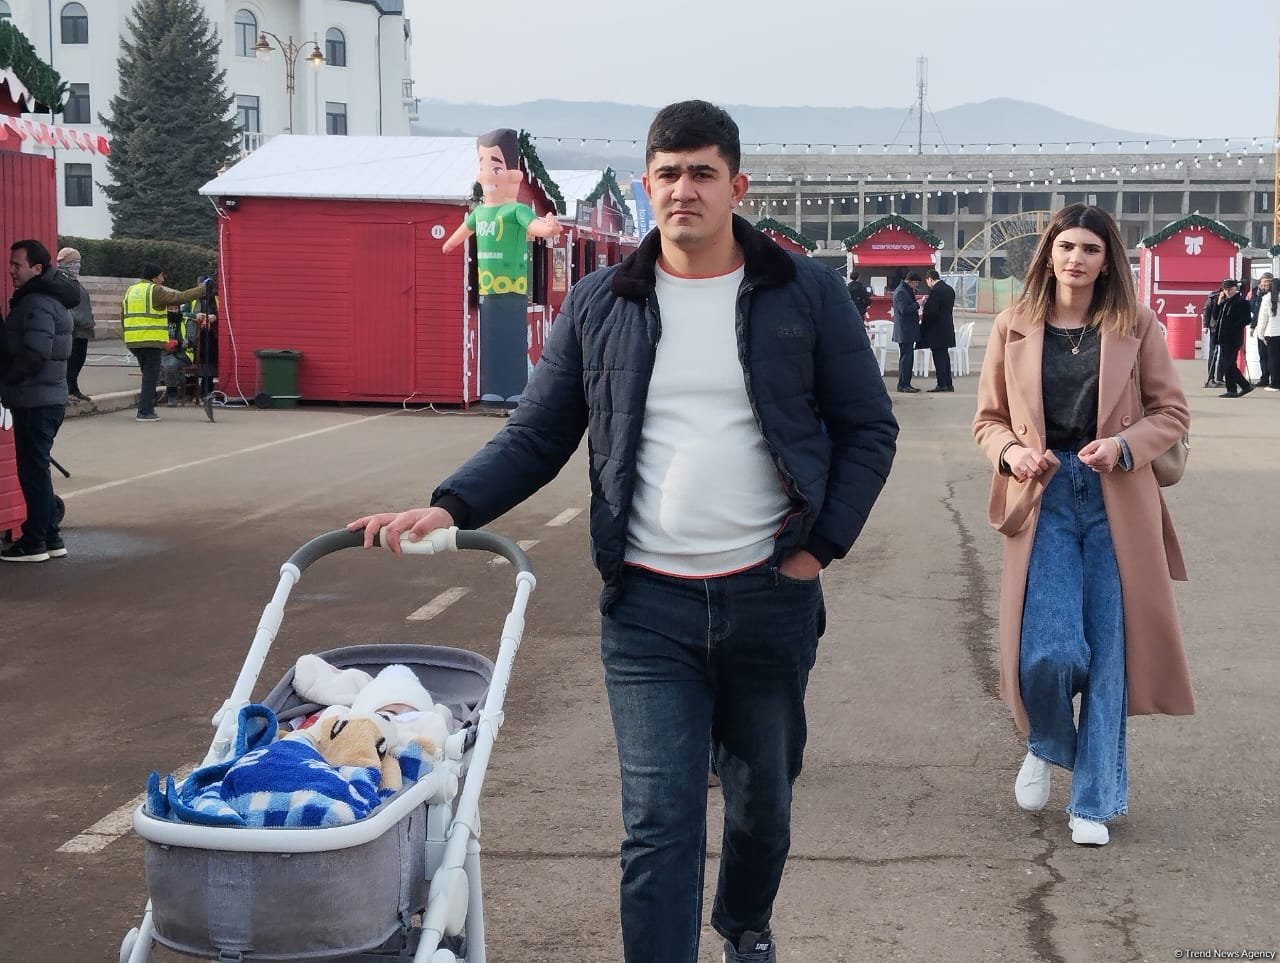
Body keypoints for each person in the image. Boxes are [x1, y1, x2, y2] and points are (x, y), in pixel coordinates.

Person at [352, 100, 898, 963]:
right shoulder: (605, 301)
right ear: (647, 186)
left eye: (703, 173)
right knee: (658, 823)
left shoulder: (806, 294)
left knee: (764, 807)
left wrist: (813, 550)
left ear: (736, 185)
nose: (685, 190)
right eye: (669, 174)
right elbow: (537, 432)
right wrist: (450, 505)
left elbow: (869, 429)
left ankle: (745, 926)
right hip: (647, 610)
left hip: (770, 597)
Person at [973, 204, 1194, 848]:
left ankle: (1094, 800)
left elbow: (1171, 411)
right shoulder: (1013, 325)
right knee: (1048, 649)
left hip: (1115, 498)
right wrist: (1012, 453)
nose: (1077, 258)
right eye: (1066, 246)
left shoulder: (1137, 325)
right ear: (1048, 253)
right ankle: (1045, 736)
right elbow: (988, 419)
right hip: (1043, 495)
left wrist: (1123, 446)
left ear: (1108, 260)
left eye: (1091, 249)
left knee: (1108, 654)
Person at [441, 128, 563, 403]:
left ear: (513, 175)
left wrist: (548, 228)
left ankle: (514, 390)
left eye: (494, 166)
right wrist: (448, 243)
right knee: (492, 341)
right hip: (487, 288)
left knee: (511, 338)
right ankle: (493, 390)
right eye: (482, 165)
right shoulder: (480, 212)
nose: (485, 174)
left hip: (512, 286)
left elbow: (534, 226)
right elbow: (462, 231)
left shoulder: (516, 209)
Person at [0, 239, 76, 562]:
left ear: (37, 268)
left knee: (32, 471)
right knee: (38, 469)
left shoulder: (36, 304)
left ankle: (33, 542)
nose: (11, 271)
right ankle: (51, 538)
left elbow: (35, 353)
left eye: (17, 264)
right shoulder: (48, 300)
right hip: (46, 397)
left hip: (35, 399)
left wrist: (8, 379)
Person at [121, 263, 205, 422]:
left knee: (147, 374)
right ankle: (145, 411)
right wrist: (201, 290)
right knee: (150, 377)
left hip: (133, 340)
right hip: (150, 340)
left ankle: (147, 405)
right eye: (161, 276)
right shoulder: (154, 290)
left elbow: (123, 315)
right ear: (154, 277)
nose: (163, 279)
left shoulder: (131, 290)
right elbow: (178, 298)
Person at [56, 246, 95, 402]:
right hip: (72, 328)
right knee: (70, 362)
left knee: (79, 360)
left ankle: (74, 389)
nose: (77, 266)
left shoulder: (75, 282)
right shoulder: (61, 281)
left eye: (78, 262)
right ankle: (66, 391)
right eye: (74, 262)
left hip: (82, 329)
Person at [1214, 279, 1254, 398]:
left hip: (1233, 338)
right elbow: (1215, 316)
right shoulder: (1225, 302)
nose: (1227, 292)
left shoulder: (1241, 302)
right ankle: (1244, 386)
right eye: (1225, 289)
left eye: (1229, 289)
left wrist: (1232, 326)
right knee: (1229, 364)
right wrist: (1219, 303)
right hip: (1222, 338)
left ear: (1235, 288)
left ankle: (1233, 389)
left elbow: (1246, 319)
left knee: (1229, 364)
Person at [919, 268, 956, 392]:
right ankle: (948, 383)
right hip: (947, 327)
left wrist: (924, 307)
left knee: (938, 357)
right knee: (945, 356)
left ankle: (941, 384)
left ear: (930, 279)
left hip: (936, 329)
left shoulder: (936, 291)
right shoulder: (949, 289)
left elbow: (932, 312)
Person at [891, 271, 923, 392]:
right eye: (915, 283)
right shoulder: (901, 292)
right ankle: (903, 384)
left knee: (908, 358)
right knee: (906, 358)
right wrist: (917, 304)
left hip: (908, 330)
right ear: (909, 281)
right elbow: (904, 310)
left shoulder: (905, 291)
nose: (916, 286)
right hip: (905, 331)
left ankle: (906, 383)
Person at [160, 304, 195, 406]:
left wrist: (177, 343)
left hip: (182, 354)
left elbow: (192, 340)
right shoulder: (160, 321)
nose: (173, 311)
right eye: (170, 309)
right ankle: (151, 396)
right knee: (152, 363)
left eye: (176, 308)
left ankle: (172, 393)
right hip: (163, 352)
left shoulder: (186, 320)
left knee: (171, 364)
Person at [1257, 275, 1279, 391]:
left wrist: (1260, 334)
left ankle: (1275, 383)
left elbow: (1262, 319)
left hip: (1271, 333)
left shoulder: (1267, 298)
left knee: (1272, 359)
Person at [1249, 273, 1272, 388]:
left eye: (1268, 281)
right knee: (1262, 355)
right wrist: (1257, 297)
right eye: (1263, 282)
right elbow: (1254, 309)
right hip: (1260, 328)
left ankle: (1274, 378)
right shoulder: (1256, 292)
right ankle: (1264, 378)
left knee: (1273, 355)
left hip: (1272, 329)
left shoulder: (1274, 294)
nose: (1265, 284)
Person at [1201, 286, 1222, 388]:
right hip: (1215, 327)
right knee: (1213, 352)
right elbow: (1206, 311)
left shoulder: (1233, 298)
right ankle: (1210, 378)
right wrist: (1205, 326)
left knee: (1225, 353)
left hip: (1227, 328)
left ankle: (1220, 377)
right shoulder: (1213, 297)